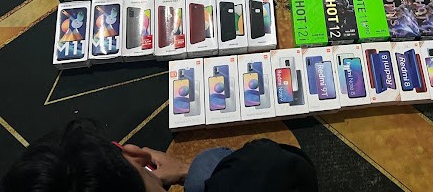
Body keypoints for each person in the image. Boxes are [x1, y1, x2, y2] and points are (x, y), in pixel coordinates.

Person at [1, 119, 318, 192]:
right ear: (136, 157)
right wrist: (189, 169)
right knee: (206, 165)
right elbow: (286, 165)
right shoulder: (254, 175)